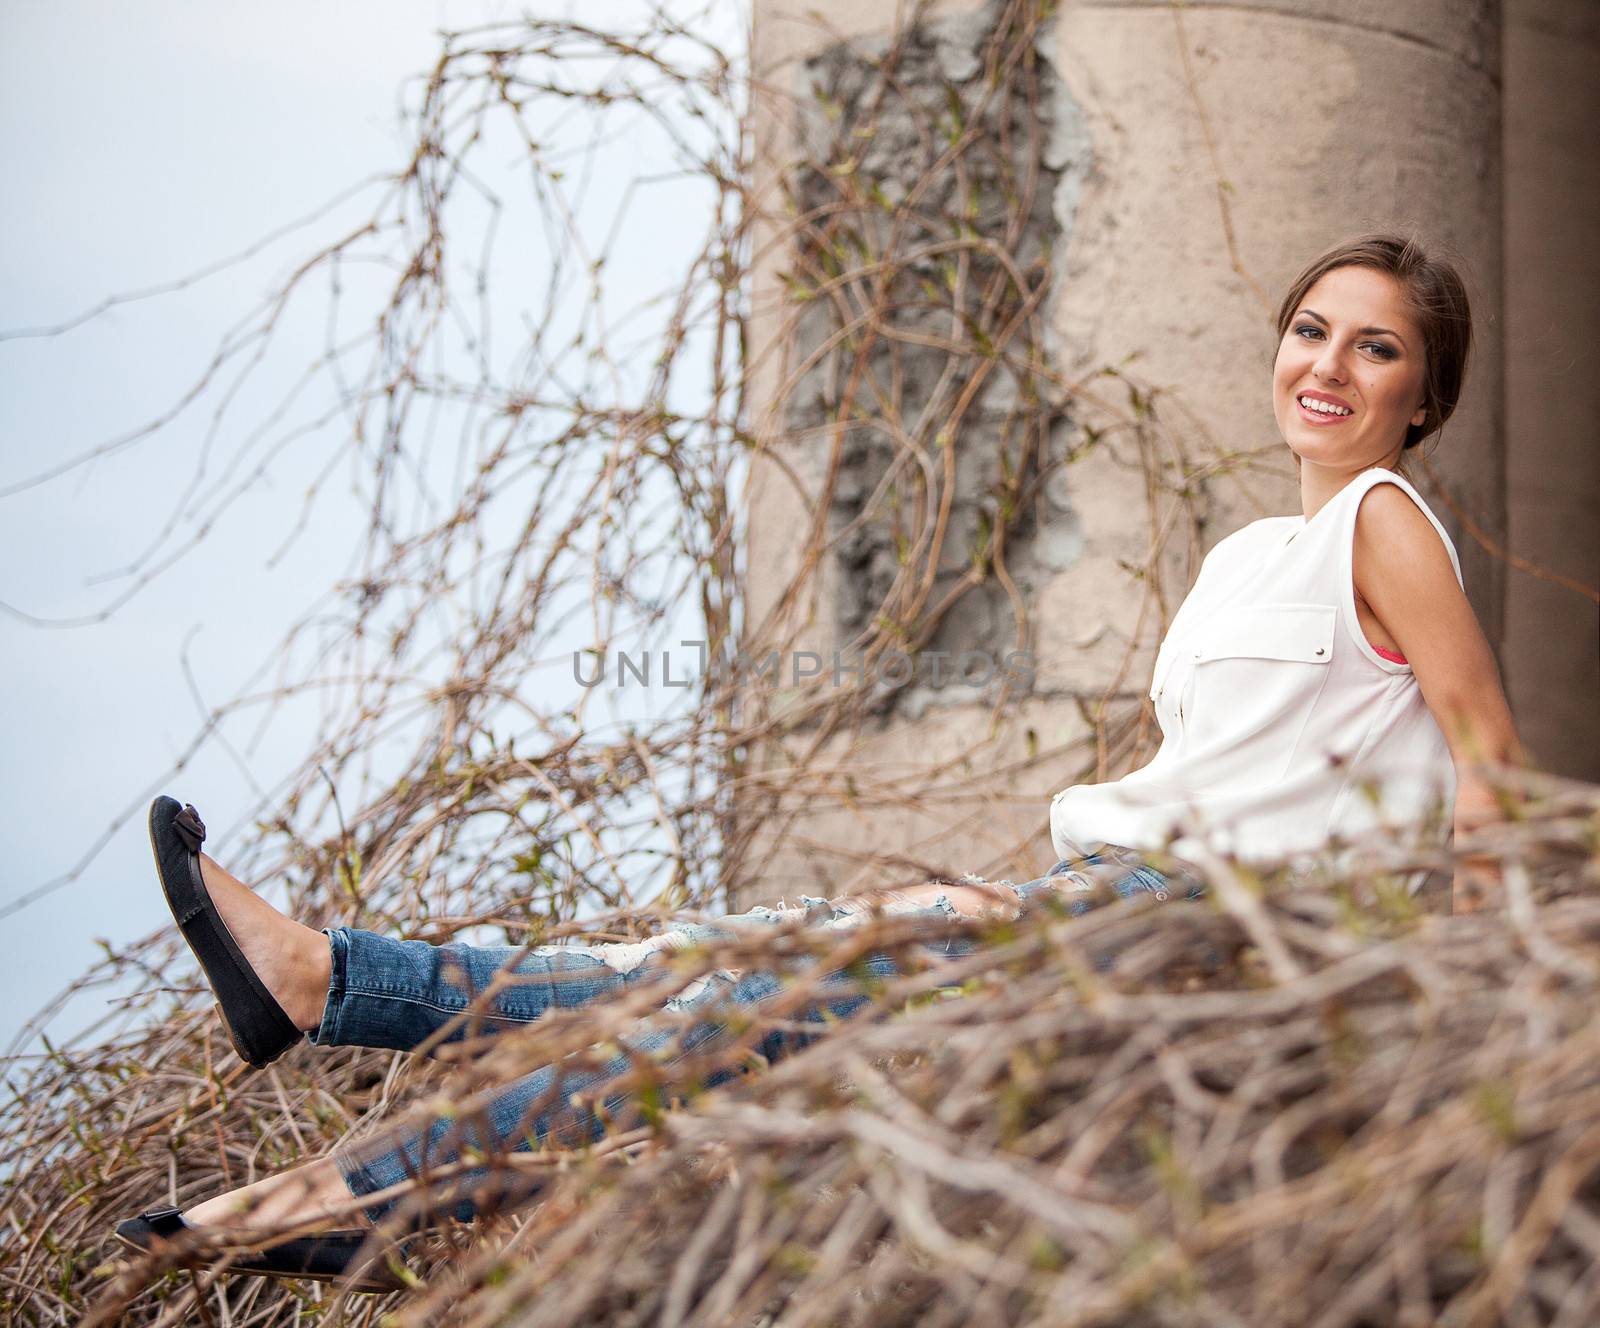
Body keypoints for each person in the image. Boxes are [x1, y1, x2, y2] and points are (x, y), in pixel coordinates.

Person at [113, 231, 1526, 1290]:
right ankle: (334, 1014)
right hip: (1112, 887)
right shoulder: (1249, 556)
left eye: (1375, 347)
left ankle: (345, 1091)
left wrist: (1463, 998)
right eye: (1310, 330)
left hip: (1198, 923)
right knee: (716, 976)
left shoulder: (1383, 523)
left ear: (1424, 394)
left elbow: (1487, 757)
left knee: (723, 1005)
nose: (1327, 367)